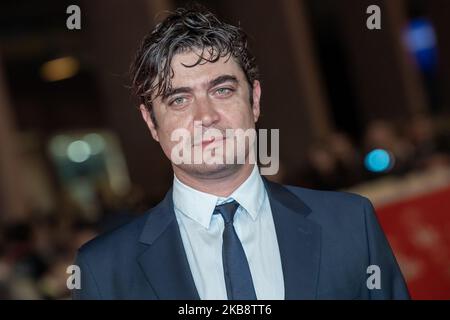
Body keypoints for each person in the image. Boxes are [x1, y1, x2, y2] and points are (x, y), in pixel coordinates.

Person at [72, 4, 410, 300]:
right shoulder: (105, 270)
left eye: (221, 90)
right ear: (150, 122)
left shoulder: (350, 225)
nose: (205, 116)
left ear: (255, 100)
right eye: (179, 99)